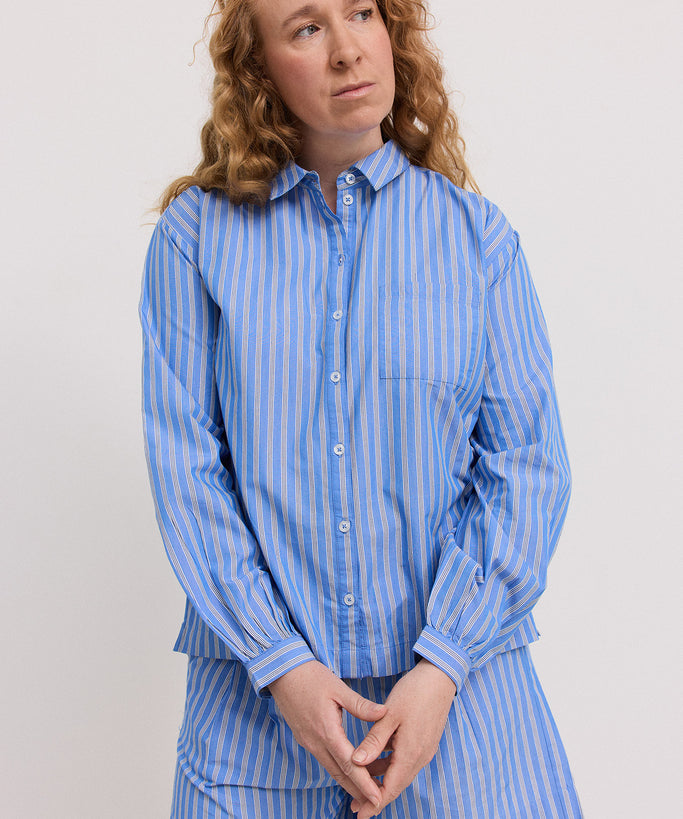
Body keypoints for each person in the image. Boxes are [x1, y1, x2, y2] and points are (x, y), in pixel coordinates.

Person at [139, 0, 584, 816]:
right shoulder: (195, 239)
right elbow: (187, 473)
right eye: (306, 28)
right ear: (258, 67)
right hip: (255, 722)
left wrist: (443, 662)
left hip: (463, 712)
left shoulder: (477, 239)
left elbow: (526, 467)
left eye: (362, 12)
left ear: (392, 32)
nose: (346, 49)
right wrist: (280, 661)